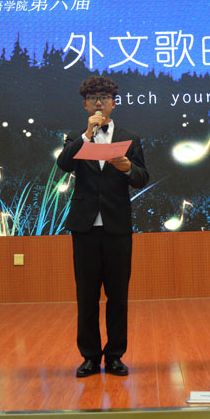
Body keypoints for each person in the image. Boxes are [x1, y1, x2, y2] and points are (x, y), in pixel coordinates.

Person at [56, 75, 149, 377]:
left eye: (105, 98)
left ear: (114, 103)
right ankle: (90, 357)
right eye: (93, 98)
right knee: (87, 296)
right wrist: (86, 135)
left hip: (116, 227)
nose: (99, 103)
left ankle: (116, 356)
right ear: (85, 104)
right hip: (85, 227)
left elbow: (142, 178)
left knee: (118, 295)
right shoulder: (75, 138)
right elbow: (63, 165)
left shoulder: (129, 137)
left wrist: (128, 167)